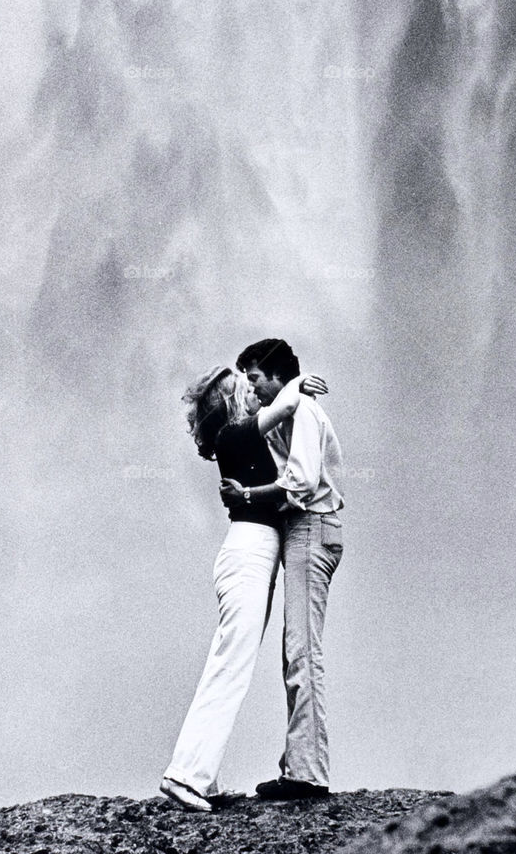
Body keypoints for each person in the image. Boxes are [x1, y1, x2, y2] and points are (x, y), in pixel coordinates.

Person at [160, 363, 327, 812]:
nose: (254, 393)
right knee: (230, 667)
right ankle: (185, 776)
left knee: (228, 661)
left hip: (250, 555)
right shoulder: (236, 435)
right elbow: (289, 403)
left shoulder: (237, 438)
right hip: (249, 556)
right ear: (231, 401)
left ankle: (204, 779)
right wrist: (297, 381)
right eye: (245, 388)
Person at [223, 338, 344, 801]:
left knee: (302, 651)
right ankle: (300, 765)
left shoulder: (305, 414)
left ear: (275, 374)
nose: (251, 389)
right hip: (304, 530)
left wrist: (249, 497)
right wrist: (291, 389)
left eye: (254, 379)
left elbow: (301, 481)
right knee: (296, 650)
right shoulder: (288, 411)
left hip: (311, 527)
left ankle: (308, 774)